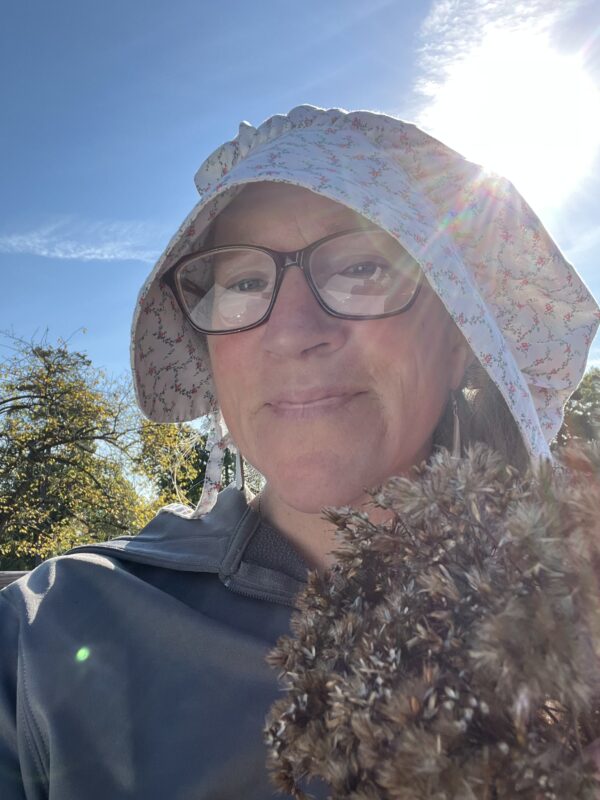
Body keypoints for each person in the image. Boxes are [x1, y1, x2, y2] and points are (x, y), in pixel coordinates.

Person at [0, 105, 598, 800]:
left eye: (363, 267)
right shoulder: (43, 643)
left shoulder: (576, 610)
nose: (291, 332)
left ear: (463, 333)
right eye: (245, 282)